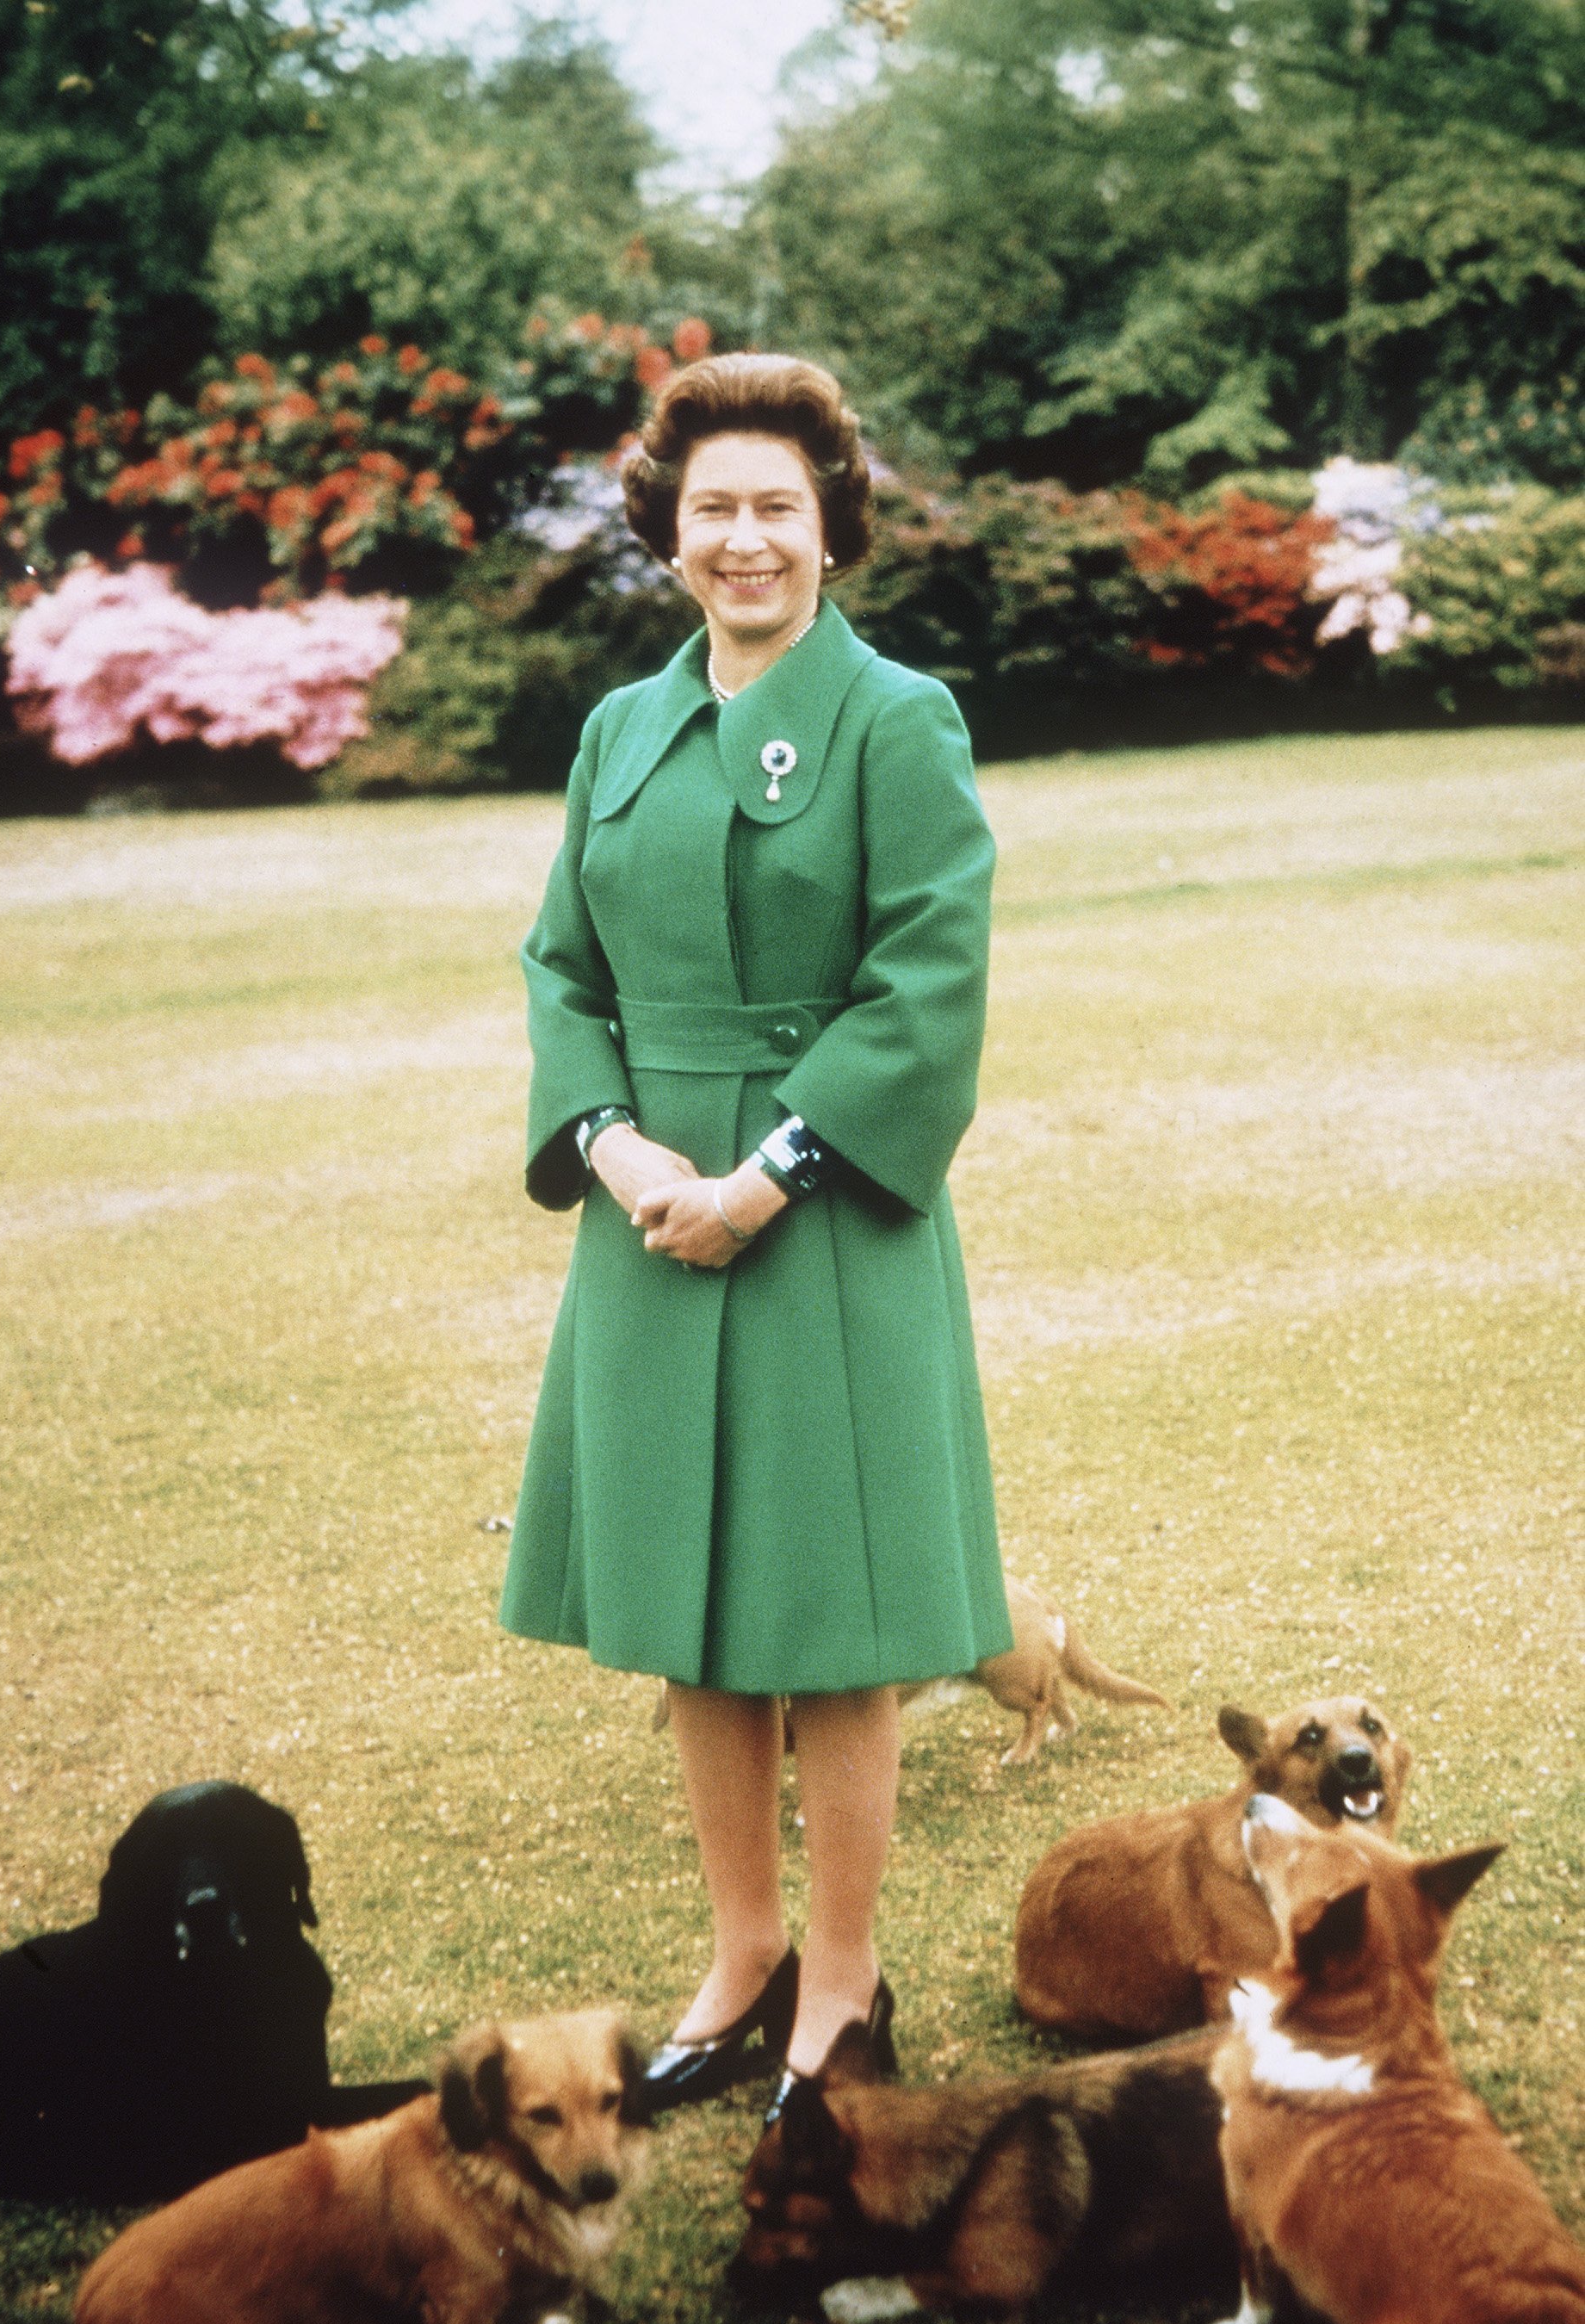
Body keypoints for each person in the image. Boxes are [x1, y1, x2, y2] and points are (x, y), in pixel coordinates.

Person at [498, 352, 1011, 2118]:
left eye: (775, 508)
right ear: (666, 525)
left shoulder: (896, 718)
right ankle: (739, 1955)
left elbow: (926, 980)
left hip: (826, 1221)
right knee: (688, 1611)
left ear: (830, 524)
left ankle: (842, 1985)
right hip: (648, 1221)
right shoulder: (614, 731)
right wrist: (618, 1146)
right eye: (711, 506)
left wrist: (764, 1172)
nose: (743, 540)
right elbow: (561, 967)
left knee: (829, 1621)